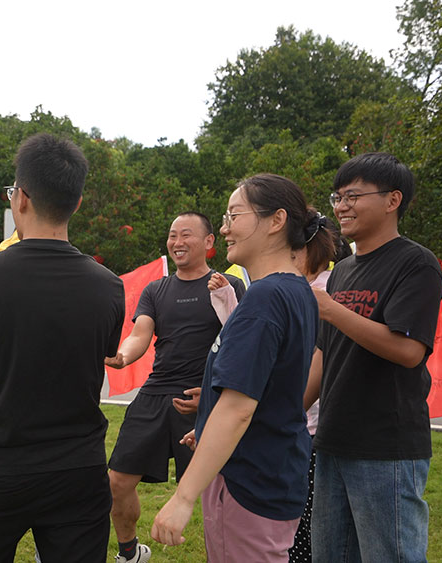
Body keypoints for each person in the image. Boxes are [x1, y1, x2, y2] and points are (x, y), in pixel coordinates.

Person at [0, 133, 125, 562]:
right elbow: (94, 356)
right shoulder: (109, 287)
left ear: (20, 198)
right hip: (78, 466)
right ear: (76, 203)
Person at [151, 173, 333, 562]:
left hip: (249, 479)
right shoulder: (295, 289)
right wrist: (207, 421)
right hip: (272, 469)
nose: (224, 227)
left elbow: (239, 408)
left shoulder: (265, 298)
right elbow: (269, 387)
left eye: (234, 215)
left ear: (276, 220)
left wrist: (183, 498)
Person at [310, 152, 442, 563]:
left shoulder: (415, 263)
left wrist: (331, 309)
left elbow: (408, 350)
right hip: (332, 439)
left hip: (386, 446)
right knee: (329, 555)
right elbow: (323, 354)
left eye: (352, 195)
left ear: (392, 200)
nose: (341, 206)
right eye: (337, 197)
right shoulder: (344, 269)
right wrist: (281, 416)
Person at [104, 211, 245, 563]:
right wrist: (123, 357)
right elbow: (141, 334)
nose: (177, 242)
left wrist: (213, 397)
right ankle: (129, 552)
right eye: (172, 236)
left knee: (222, 494)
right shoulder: (156, 289)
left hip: (206, 397)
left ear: (210, 242)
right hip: (157, 393)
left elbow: (241, 342)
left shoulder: (228, 285)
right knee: (117, 483)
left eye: (186, 235)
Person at [288, 220, 347, 563]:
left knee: (306, 526)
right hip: (305, 423)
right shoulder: (304, 287)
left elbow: (316, 360)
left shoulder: (322, 292)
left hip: (311, 424)